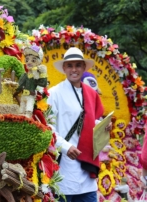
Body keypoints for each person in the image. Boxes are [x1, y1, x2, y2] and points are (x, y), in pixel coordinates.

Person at [47, 47, 112, 202]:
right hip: (64, 170)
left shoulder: (91, 93)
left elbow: (88, 120)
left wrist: (102, 126)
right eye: (70, 65)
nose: (74, 69)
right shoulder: (54, 93)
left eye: (78, 65)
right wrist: (65, 146)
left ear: (84, 67)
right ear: (64, 68)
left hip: (86, 171)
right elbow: (47, 127)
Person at [13, 44, 47, 118]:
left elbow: (43, 83)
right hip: (23, 96)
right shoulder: (24, 75)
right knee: (21, 112)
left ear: (38, 62)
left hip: (31, 96)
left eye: (33, 60)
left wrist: (43, 74)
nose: (29, 62)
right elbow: (19, 86)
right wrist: (13, 91)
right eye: (27, 59)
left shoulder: (36, 76)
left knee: (28, 113)